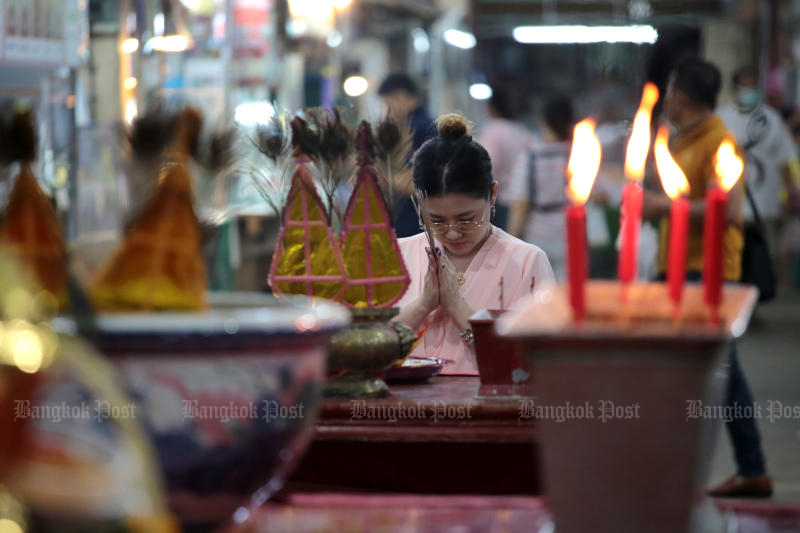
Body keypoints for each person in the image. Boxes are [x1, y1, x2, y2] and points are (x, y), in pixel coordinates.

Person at [642, 57, 772, 498]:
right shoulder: (682, 141)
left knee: (721, 373)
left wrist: (662, 208)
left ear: (680, 95)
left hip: (710, 272)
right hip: (677, 269)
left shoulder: (719, 142)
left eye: (670, 90)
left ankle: (744, 469)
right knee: (717, 373)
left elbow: (730, 211)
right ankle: (746, 469)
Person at [395, 114, 555, 374]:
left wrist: (458, 308)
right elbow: (366, 351)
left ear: (492, 195)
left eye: (467, 220)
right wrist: (423, 305)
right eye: (436, 220)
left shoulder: (527, 262)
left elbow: (535, 359)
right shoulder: (398, 255)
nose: (453, 233)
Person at [719, 66, 800, 260]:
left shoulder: (772, 120)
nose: (749, 91)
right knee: (731, 262)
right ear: (734, 88)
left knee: (763, 262)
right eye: (744, 86)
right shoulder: (720, 119)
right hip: (730, 208)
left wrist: (791, 192)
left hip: (765, 208)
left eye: (753, 86)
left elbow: (783, 159)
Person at [507, 97, 574, 280]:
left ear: (542, 120)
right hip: (572, 236)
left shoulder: (530, 157)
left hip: (539, 237)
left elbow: (520, 206)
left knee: (541, 296)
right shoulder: (577, 153)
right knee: (568, 297)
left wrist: (511, 242)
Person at [378, 73, 436, 238]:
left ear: (400, 96)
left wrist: (385, 176)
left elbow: (419, 183)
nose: (388, 112)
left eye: (387, 104)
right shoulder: (426, 123)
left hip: (417, 221)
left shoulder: (418, 128)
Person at [477, 88, 533, 230]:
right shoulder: (521, 130)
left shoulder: (493, 130)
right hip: (522, 199)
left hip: (501, 201)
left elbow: (489, 166)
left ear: (492, 108)